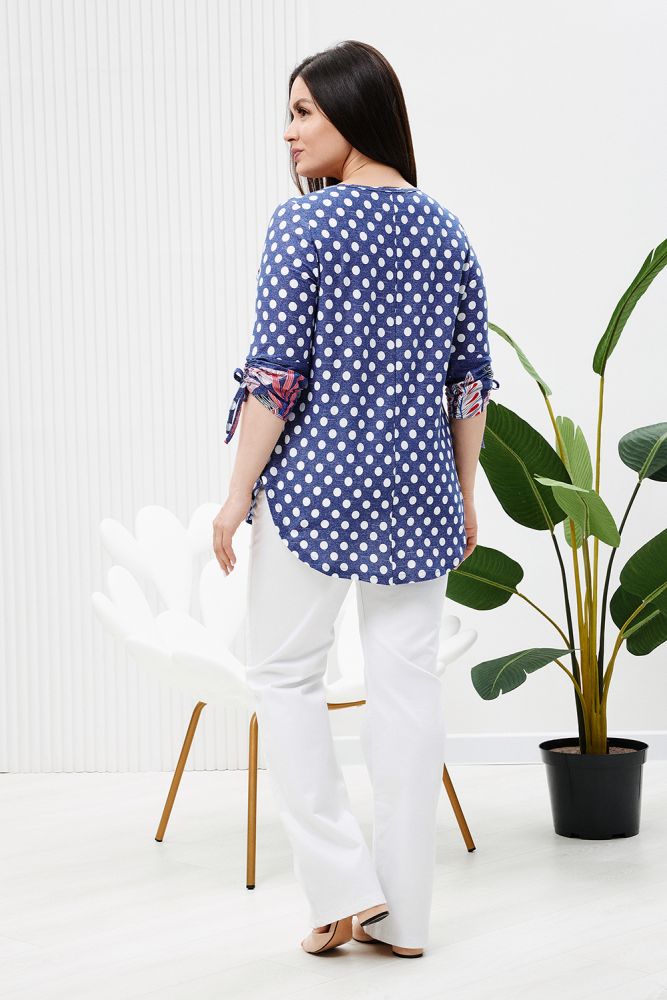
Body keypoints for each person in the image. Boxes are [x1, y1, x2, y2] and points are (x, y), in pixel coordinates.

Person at [212, 39, 499, 958]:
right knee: (407, 693)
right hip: (419, 496)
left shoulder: (303, 225)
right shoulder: (447, 230)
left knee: (282, 675)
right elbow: (468, 384)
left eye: (303, 111)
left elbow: (275, 378)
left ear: (353, 111)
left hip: (314, 492)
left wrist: (235, 496)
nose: (288, 132)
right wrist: (462, 495)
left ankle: (340, 890)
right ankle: (404, 918)